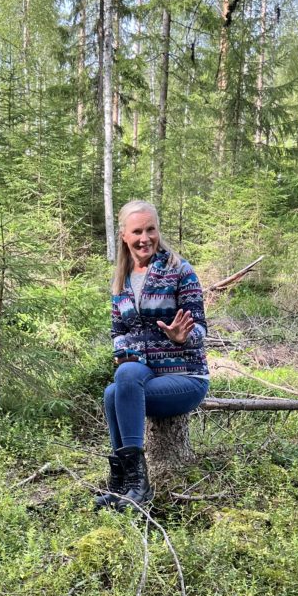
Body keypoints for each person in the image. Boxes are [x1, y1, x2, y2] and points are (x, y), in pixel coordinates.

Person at [97, 199, 210, 510]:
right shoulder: (121, 278)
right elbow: (118, 331)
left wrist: (184, 336)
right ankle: (122, 483)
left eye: (151, 230)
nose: (145, 238)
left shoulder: (180, 270)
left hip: (185, 377)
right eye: (137, 231)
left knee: (120, 386)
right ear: (124, 235)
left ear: (158, 230)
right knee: (113, 390)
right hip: (143, 373)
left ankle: (138, 484)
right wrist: (122, 352)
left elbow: (201, 328)